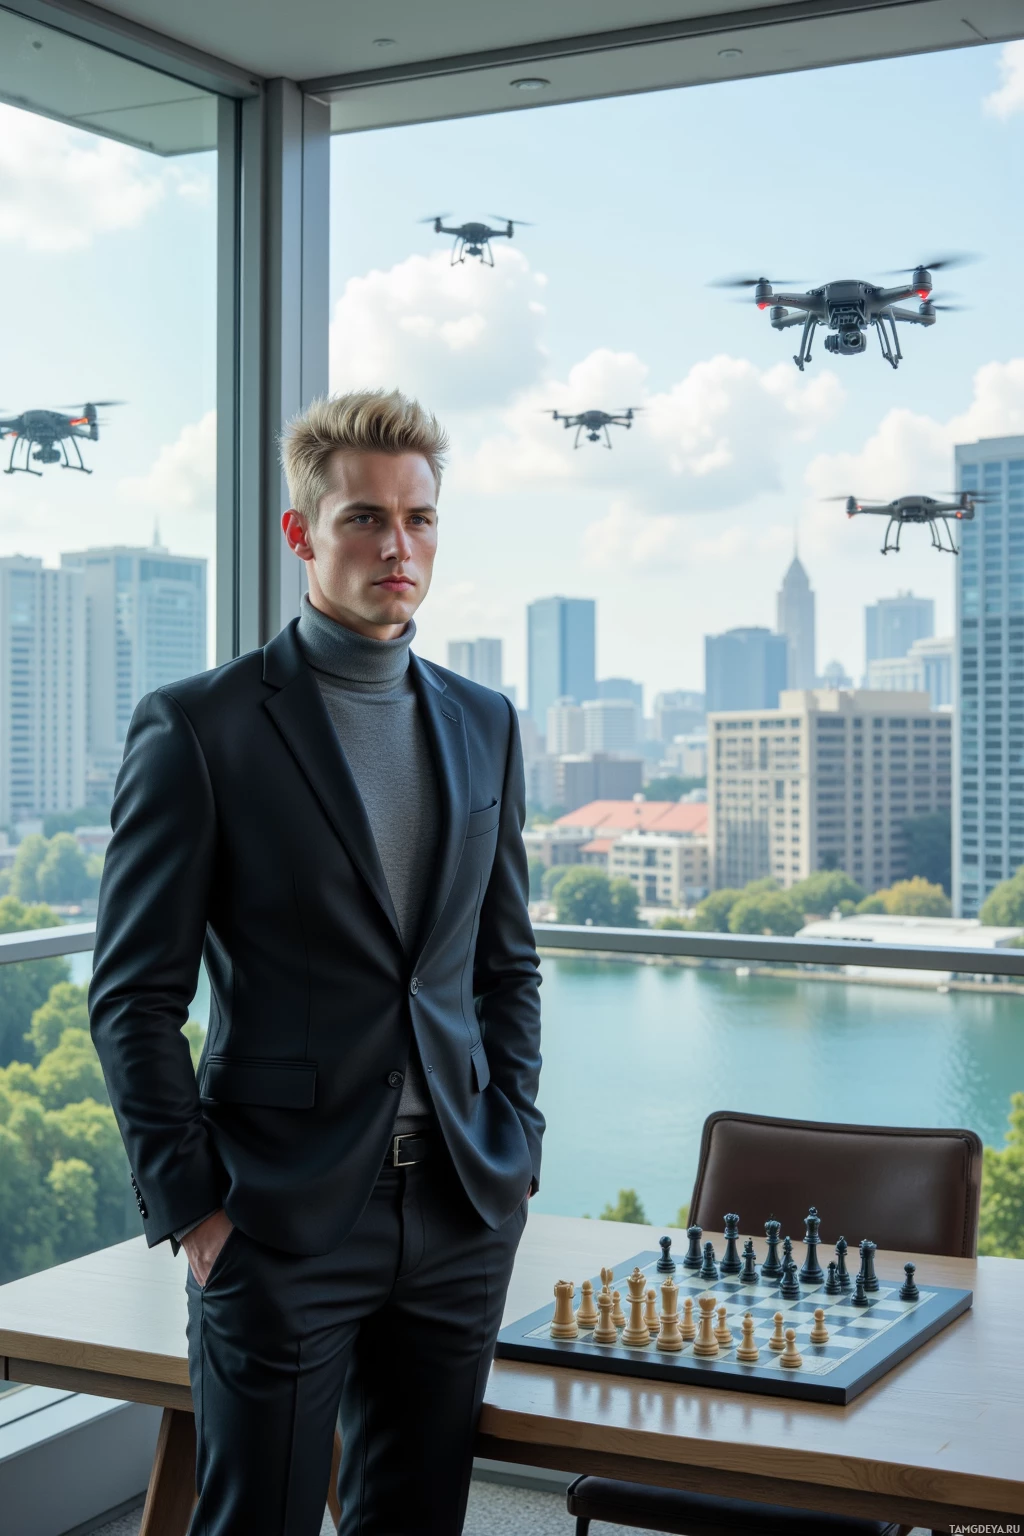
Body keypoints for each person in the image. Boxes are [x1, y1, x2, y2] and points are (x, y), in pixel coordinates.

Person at [89, 389, 544, 1536]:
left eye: (421, 519)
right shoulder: (201, 727)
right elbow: (134, 999)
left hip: (456, 1210)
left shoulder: (484, 720)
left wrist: (515, 1148)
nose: (399, 546)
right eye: (365, 519)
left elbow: (505, 968)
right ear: (301, 535)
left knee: (417, 1521)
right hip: (279, 1220)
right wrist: (195, 1213)